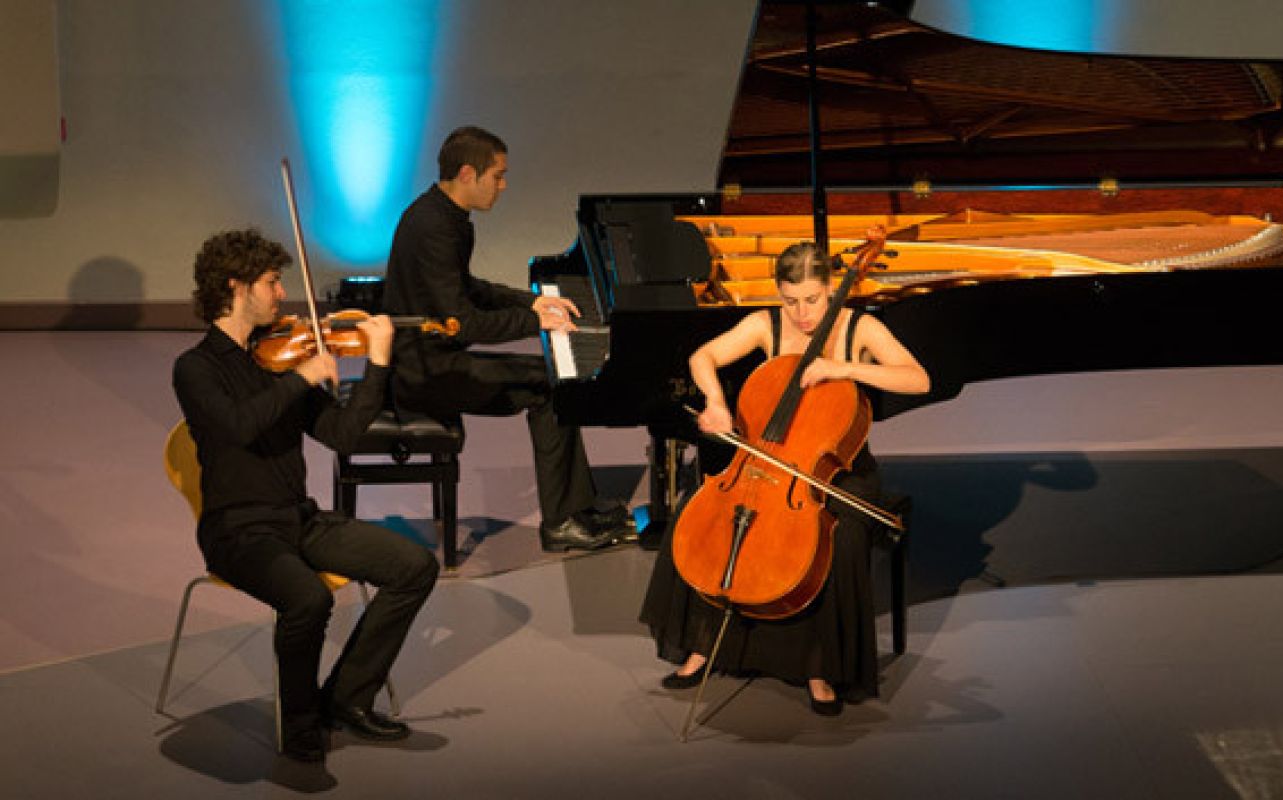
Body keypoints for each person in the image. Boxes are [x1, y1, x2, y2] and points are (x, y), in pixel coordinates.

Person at [172, 229, 439, 762]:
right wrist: (301, 377)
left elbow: (343, 435)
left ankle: (344, 699)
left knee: (415, 566)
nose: (280, 294)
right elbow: (236, 426)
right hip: (238, 531)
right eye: (272, 282)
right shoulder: (195, 367)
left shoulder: (274, 358)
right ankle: (299, 725)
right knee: (309, 599)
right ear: (236, 286)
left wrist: (377, 366)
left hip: (299, 520)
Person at [639, 241, 931, 715]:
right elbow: (702, 358)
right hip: (767, 461)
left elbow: (919, 379)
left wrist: (842, 367)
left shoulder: (860, 327)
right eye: (790, 300)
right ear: (778, 293)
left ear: (831, 290)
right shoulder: (764, 325)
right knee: (701, 521)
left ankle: (820, 666)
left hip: (836, 468)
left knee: (843, 539)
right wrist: (716, 402)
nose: (801, 313)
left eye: (812, 300)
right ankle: (702, 643)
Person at [381, 125, 630, 552]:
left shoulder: (442, 216)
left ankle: (577, 507)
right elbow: (465, 322)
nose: (503, 184)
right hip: (424, 375)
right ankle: (562, 523)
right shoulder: (435, 227)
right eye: (497, 175)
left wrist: (531, 302)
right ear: (466, 174)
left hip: (434, 358)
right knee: (551, 387)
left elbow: (468, 288)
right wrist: (536, 323)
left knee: (551, 380)